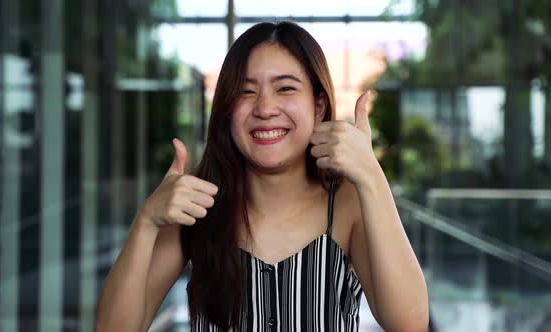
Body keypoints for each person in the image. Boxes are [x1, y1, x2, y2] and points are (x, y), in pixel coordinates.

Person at [95, 21, 429, 332]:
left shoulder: (348, 204)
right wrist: (146, 221)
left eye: (285, 88)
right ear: (226, 110)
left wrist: (371, 175)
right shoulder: (196, 208)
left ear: (318, 107)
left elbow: (410, 323)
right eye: (246, 91)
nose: (265, 108)